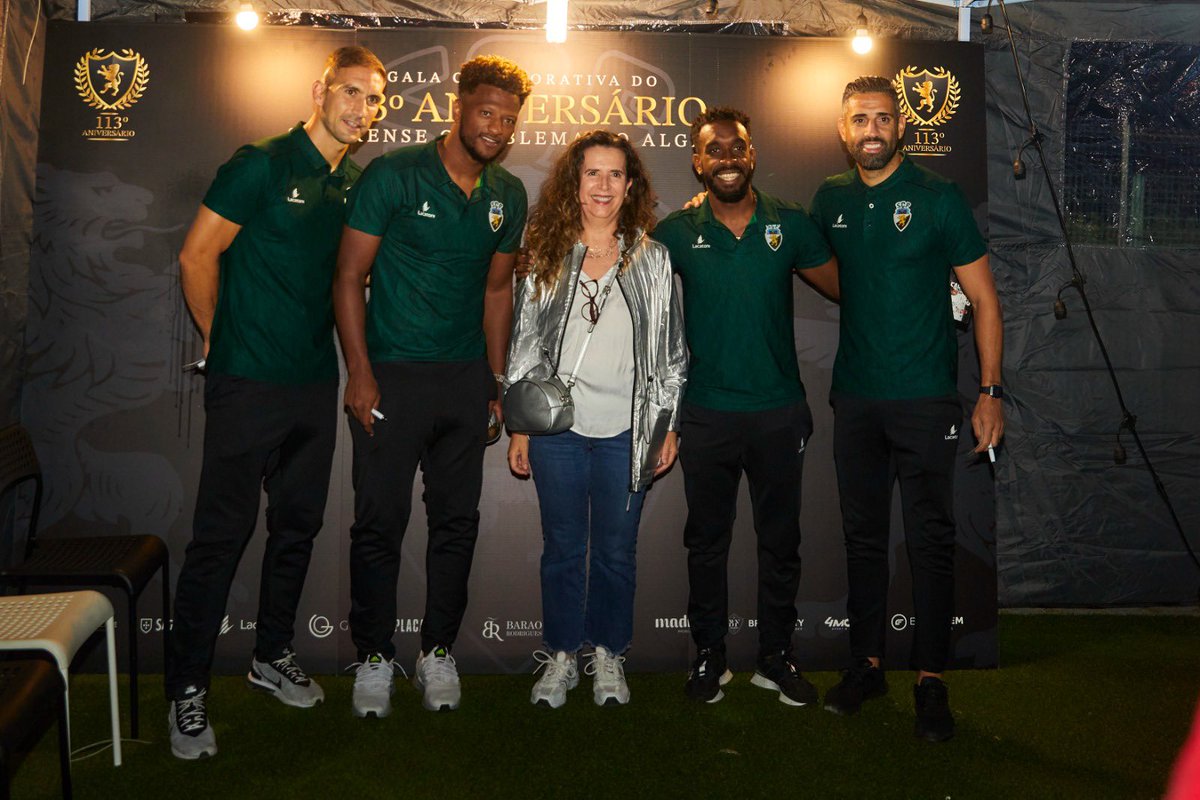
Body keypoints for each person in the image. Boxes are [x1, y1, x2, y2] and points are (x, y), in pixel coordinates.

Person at [169, 47, 386, 759]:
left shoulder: (351, 184)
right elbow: (197, 256)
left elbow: (345, 284)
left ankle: (270, 656)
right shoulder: (260, 162)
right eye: (351, 91)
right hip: (246, 383)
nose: (362, 108)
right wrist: (221, 338)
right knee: (220, 538)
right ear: (321, 89)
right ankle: (186, 690)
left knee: (296, 527)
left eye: (374, 100)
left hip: (309, 387)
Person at [333, 55, 531, 718]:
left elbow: (497, 291)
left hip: (463, 383)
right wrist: (360, 370)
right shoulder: (393, 174)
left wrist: (497, 383)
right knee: (378, 524)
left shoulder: (508, 194)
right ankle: (372, 657)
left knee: (457, 523)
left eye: (508, 118)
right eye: (487, 112)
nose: (497, 126)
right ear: (458, 106)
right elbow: (347, 278)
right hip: (391, 378)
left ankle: (438, 652)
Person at [810, 76, 1004, 742]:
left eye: (883, 118)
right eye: (860, 118)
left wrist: (988, 391)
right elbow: (826, 267)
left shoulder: (937, 197)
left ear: (901, 127)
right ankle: (865, 665)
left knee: (929, 540)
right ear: (843, 129)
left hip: (925, 398)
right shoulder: (829, 198)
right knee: (863, 539)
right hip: (857, 396)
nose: (872, 127)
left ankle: (930, 679)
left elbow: (984, 300)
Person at [654, 107, 839, 706]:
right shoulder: (677, 232)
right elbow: (619, 278)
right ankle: (710, 658)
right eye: (714, 150)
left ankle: (775, 658)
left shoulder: (790, 221)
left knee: (780, 542)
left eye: (737, 149)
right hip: (705, 412)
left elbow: (852, 287)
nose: (727, 158)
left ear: (752, 157)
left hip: (779, 412)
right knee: (706, 541)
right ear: (697, 162)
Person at [504, 130, 687, 708]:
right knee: (561, 547)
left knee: (615, 551)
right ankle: (561, 655)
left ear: (630, 186)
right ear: (574, 183)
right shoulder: (548, 254)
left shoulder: (654, 260)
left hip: (628, 434)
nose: (603, 186)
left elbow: (672, 355)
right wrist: (519, 427)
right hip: (558, 432)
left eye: (614, 175)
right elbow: (524, 344)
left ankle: (608, 654)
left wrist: (667, 426)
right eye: (592, 174)